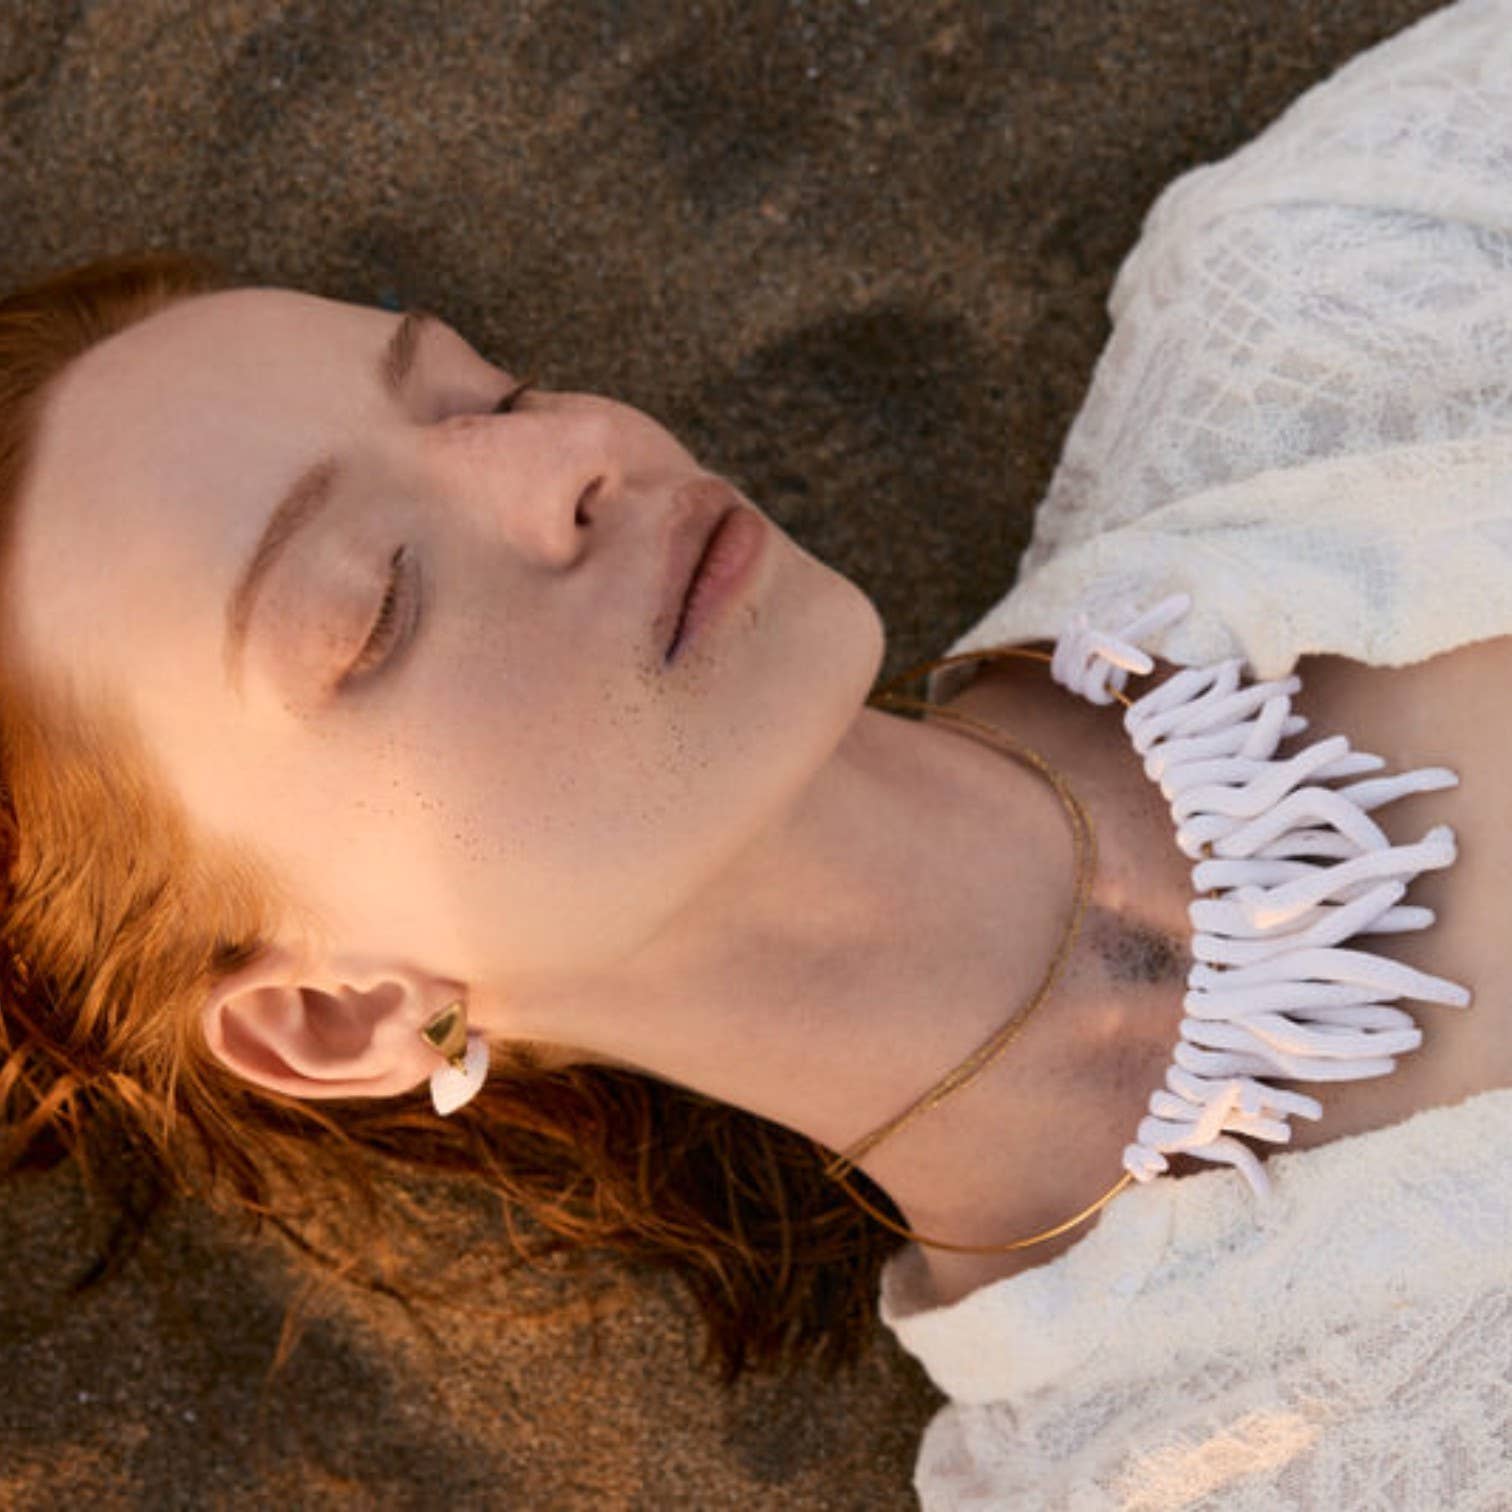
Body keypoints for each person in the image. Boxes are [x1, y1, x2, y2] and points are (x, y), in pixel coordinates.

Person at [0, 4, 1507, 1510]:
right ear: (336, 1015)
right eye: (378, 601)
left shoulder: (1339, 277)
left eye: (483, 395)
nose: (567, 458)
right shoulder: (1185, 1467)